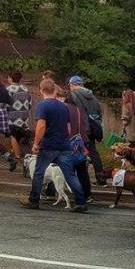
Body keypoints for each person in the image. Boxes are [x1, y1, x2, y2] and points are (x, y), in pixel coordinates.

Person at [19, 79, 87, 212]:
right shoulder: (64, 106)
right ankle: (81, 202)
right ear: (54, 90)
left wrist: (36, 143)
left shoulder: (43, 105)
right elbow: (68, 128)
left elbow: (41, 125)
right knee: (70, 175)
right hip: (64, 145)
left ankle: (34, 200)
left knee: (39, 172)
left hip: (48, 145)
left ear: (41, 90)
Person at [68, 76, 106, 186]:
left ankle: (78, 183)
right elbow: (99, 112)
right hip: (93, 128)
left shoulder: (73, 95)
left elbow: (74, 112)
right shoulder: (92, 96)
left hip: (81, 128)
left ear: (72, 84)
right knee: (93, 153)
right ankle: (101, 179)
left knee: (78, 153)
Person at [61, 86, 92, 203]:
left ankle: (77, 195)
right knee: (82, 170)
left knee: (66, 170)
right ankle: (87, 194)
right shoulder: (77, 109)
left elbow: (65, 127)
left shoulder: (63, 108)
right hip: (80, 141)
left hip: (69, 142)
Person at [5, 70, 32, 172]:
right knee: (23, 138)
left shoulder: (9, 89)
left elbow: (6, 105)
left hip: (13, 117)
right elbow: (29, 104)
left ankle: (17, 157)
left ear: (11, 78)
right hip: (24, 117)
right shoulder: (25, 89)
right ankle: (28, 159)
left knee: (14, 136)